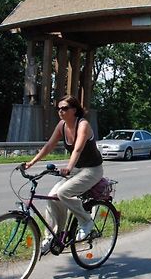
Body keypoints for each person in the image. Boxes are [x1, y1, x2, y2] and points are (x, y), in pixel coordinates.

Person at [25, 95, 103, 252]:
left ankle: (86, 221)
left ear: (74, 110)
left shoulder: (83, 124)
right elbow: (49, 146)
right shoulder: (62, 125)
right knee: (52, 196)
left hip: (92, 170)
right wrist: (31, 162)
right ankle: (54, 235)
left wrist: (68, 167)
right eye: (58, 108)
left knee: (63, 192)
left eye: (64, 108)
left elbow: (78, 149)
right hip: (76, 169)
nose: (60, 111)